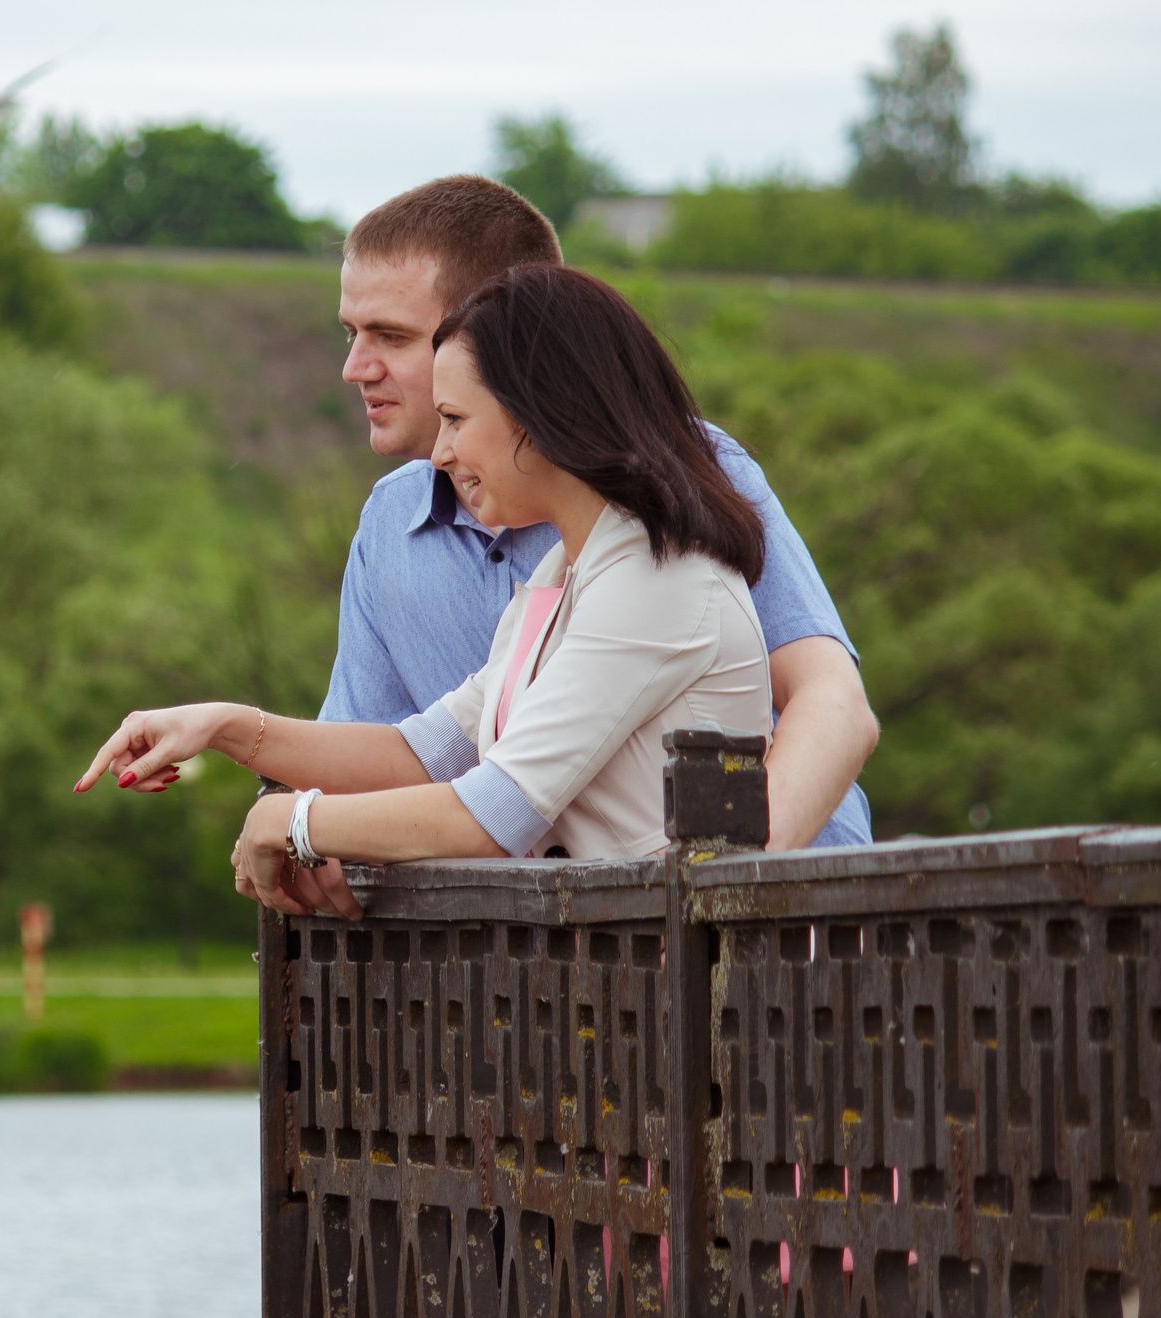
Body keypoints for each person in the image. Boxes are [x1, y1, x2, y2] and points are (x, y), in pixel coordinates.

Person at [81, 264, 786, 911]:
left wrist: (291, 820)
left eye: (455, 419)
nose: (441, 453)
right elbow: (422, 753)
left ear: (539, 419)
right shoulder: (570, 572)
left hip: (687, 1007)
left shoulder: (654, 580)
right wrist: (225, 727)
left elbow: (492, 812)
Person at [304, 177, 876, 854]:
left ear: (508, 335)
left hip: (770, 926)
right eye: (350, 333)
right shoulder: (389, 522)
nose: (353, 367)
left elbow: (835, 705)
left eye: (390, 336)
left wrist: (726, 901)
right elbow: (388, 755)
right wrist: (285, 803)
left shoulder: (685, 470)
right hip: (585, 941)